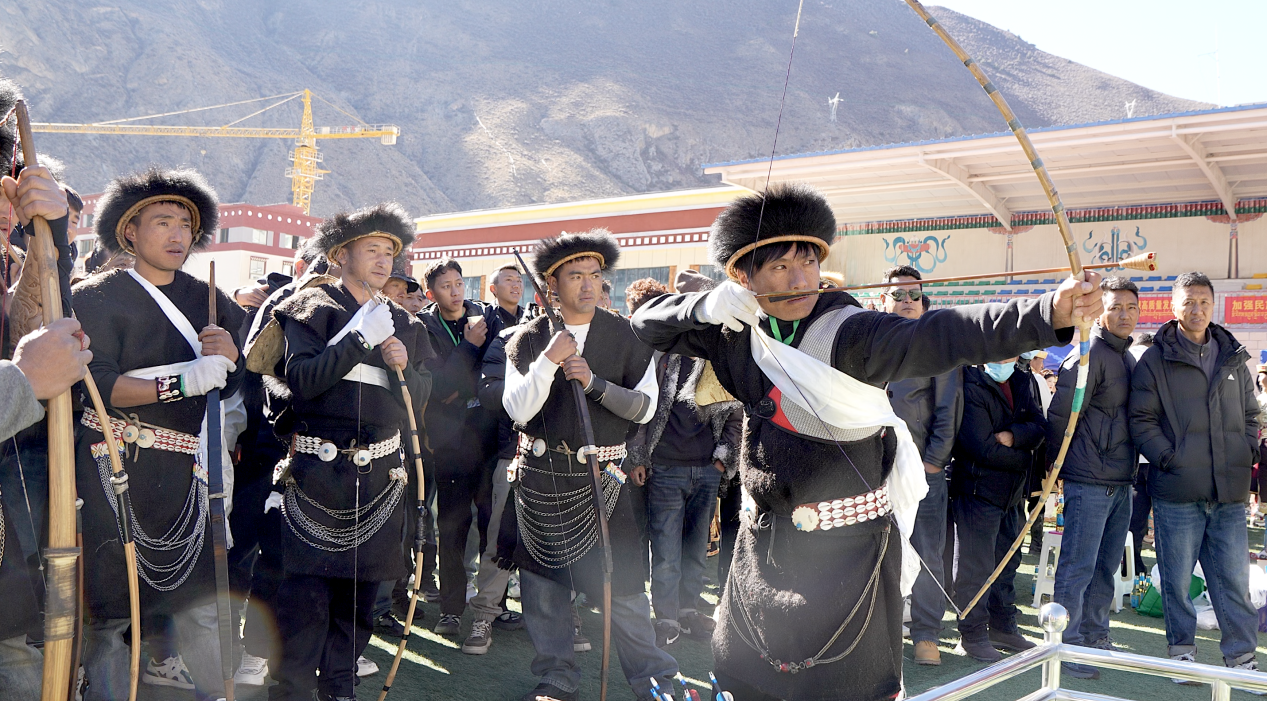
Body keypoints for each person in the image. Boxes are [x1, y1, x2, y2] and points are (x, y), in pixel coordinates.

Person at [630, 183, 1100, 701]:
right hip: (760, 547)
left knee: (844, 687)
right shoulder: (733, 325)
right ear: (743, 276)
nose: (800, 279)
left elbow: (941, 334)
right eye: (780, 267)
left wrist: (1046, 314)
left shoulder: (851, 331)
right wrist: (705, 305)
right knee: (749, 681)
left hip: (847, 553)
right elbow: (645, 324)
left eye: (808, 262)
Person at [71, 168, 245, 701]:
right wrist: (184, 380)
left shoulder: (211, 298)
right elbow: (97, 386)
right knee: (106, 615)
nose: (177, 235)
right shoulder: (95, 296)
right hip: (110, 465)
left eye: (186, 225)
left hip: (183, 475)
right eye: (163, 222)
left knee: (196, 605)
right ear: (129, 231)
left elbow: (238, 377)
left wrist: (231, 357)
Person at [266, 203, 434, 701]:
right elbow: (302, 382)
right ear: (341, 254)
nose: (384, 261)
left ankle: (341, 691)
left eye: (390, 252)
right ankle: (292, 693)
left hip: (380, 480)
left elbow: (418, 404)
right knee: (305, 602)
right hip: (316, 476)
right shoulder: (309, 307)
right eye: (373, 250)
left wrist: (404, 370)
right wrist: (361, 338)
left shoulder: (406, 323)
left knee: (358, 606)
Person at [504, 230, 679, 701]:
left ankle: (653, 679)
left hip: (606, 480)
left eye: (595, 275)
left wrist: (594, 384)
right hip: (541, 480)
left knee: (624, 589)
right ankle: (557, 676)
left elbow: (645, 407)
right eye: (575, 276)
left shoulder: (626, 334)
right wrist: (548, 362)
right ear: (551, 284)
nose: (588, 285)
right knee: (543, 588)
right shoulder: (527, 339)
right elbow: (517, 409)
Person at [1129, 272, 1263, 676]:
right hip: (1178, 490)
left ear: (1213, 305)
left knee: (1234, 581)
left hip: (1227, 491)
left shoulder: (1232, 355)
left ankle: (1241, 656)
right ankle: (1182, 653)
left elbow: (1252, 414)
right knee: (1176, 580)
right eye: (1188, 301)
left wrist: (1245, 450)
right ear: (1173, 306)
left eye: (1204, 301)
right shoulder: (1156, 359)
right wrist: (1169, 458)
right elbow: (1141, 420)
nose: (1197, 309)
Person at [626, 276, 742, 649]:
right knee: (665, 550)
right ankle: (666, 618)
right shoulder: (660, 354)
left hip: (707, 469)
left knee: (695, 549)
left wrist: (723, 460)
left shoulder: (721, 358)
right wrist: (639, 456)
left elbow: (736, 415)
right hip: (664, 467)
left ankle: (689, 611)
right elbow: (642, 409)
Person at [1047, 276, 1140, 679]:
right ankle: (1064, 645)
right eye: (1115, 306)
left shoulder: (1127, 357)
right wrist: (1054, 469)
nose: (1123, 314)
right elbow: (1061, 415)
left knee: (1105, 567)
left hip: (1121, 481)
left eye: (1131, 307)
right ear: (1101, 311)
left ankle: (1095, 636)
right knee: (1078, 567)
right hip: (1088, 479)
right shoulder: (1088, 355)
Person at [881, 265, 962, 667]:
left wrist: (933, 462)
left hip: (922, 471)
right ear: (883, 299)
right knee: (877, 550)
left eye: (914, 294)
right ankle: (880, 629)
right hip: (873, 471)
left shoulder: (937, 346)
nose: (907, 301)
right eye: (898, 294)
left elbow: (948, 410)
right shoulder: (869, 341)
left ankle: (926, 632)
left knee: (929, 551)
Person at [949, 356, 1047, 663]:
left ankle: (1003, 626)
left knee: (1008, 561)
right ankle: (972, 633)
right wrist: (1026, 457)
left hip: (1011, 493)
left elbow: (1040, 426)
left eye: (1010, 353)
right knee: (975, 566)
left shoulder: (1021, 380)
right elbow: (981, 447)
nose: (1004, 359)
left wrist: (1013, 436)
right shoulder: (969, 382)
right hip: (978, 489)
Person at [417, 257, 495, 637]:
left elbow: (494, 374)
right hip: (449, 440)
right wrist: (468, 347)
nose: (455, 291)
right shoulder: (424, 326)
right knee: (451, 526)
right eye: (446, 286)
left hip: (489, 436)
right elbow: (438, 386)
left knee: (491, 523)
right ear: (432, 292)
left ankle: (490, 608)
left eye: (459, 283)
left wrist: (460, 383)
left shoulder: (486, 317)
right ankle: (450, 609)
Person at [1128, 332, 1155, 574]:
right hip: (1155, 456)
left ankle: (1132, 563)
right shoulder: (1156, 362)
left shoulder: (1125, 360)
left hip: (1133, 455)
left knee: (1135, 519)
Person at [488, 262, 527, 328]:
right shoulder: (485, 317)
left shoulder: (529, 317)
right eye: (509, 280)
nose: (516, 285)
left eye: (519, 281)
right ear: (493, 288)